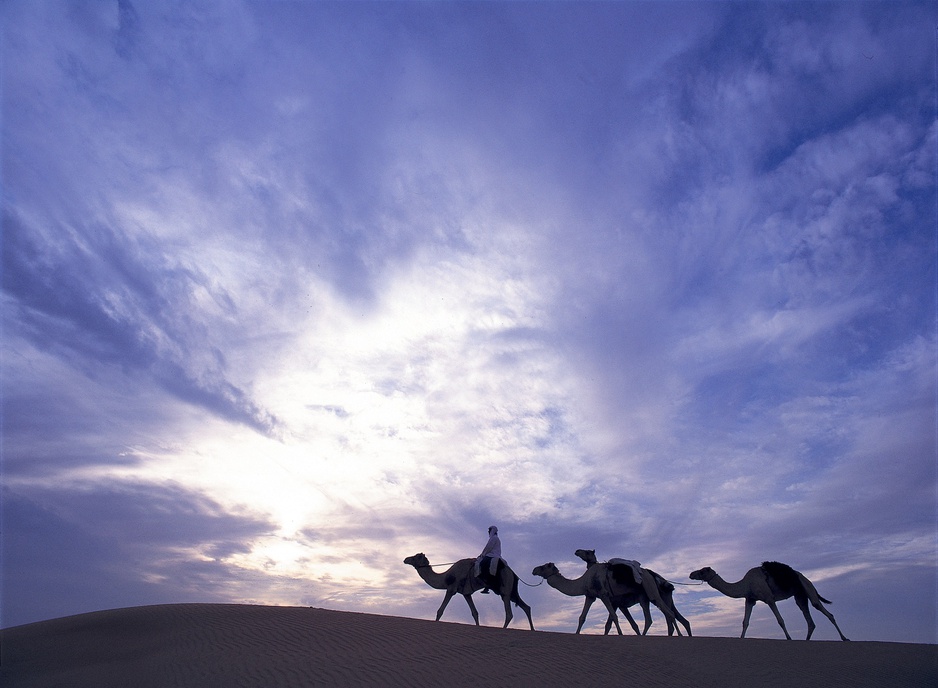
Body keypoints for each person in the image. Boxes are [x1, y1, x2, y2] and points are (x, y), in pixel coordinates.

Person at [474, 525, 501, 593]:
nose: (489, 532)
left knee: (482, 564)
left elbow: (488, 548)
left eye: (489, 531)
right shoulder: (494, 538)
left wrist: (482, 555)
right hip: (492, 554)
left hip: (493, 555)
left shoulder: (494, 538)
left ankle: (486, 582)